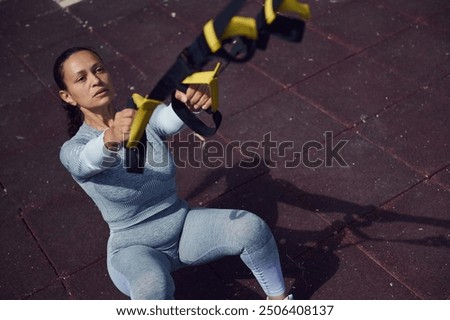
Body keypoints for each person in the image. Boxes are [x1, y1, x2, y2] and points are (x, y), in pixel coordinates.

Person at [54, 46, 292, 300]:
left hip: (182, 228)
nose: (95, 80)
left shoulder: (141, 117)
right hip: (134, 249)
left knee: (252, 229)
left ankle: (278, 304)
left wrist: (190, 102)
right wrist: (111, 137)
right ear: (67, 96)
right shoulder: (72, 150)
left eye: (98, 69)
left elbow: (170, 117)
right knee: (152, 287)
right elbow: (89, 159)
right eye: (81, 78)